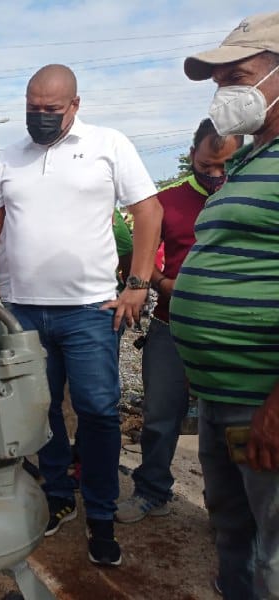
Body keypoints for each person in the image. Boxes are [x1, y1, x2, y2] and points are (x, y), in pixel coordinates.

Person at [0, 64, 162, 567]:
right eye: (32, 109)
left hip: (90, 310)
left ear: (74, 105)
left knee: (99, 411)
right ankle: (57, 496)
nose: (40, 118)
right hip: (24, 311)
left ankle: (100, 511)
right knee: (40, 410)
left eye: (50, 110)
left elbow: (149, 210)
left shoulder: (108, 144)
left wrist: (138, 284)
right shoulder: (9, 156)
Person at [170, 13, 279, 599]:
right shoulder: (246, 163)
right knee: (233, 534)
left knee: (275, 556)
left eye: (236, 76)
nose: (224, 95)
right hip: (223, 396)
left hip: (265, 401)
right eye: (218, 82)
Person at [116, 119, 242, 524]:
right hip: (171, 325)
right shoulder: (164, 202)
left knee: (229, 427)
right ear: (192, 157)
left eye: (226, 167)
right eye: (207, 166)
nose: (216, 176)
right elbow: (143, 260)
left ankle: (227, 509)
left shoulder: (249, 197)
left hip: (231, 332)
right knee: (160, 416)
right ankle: (152, 489)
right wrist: (163, 283)